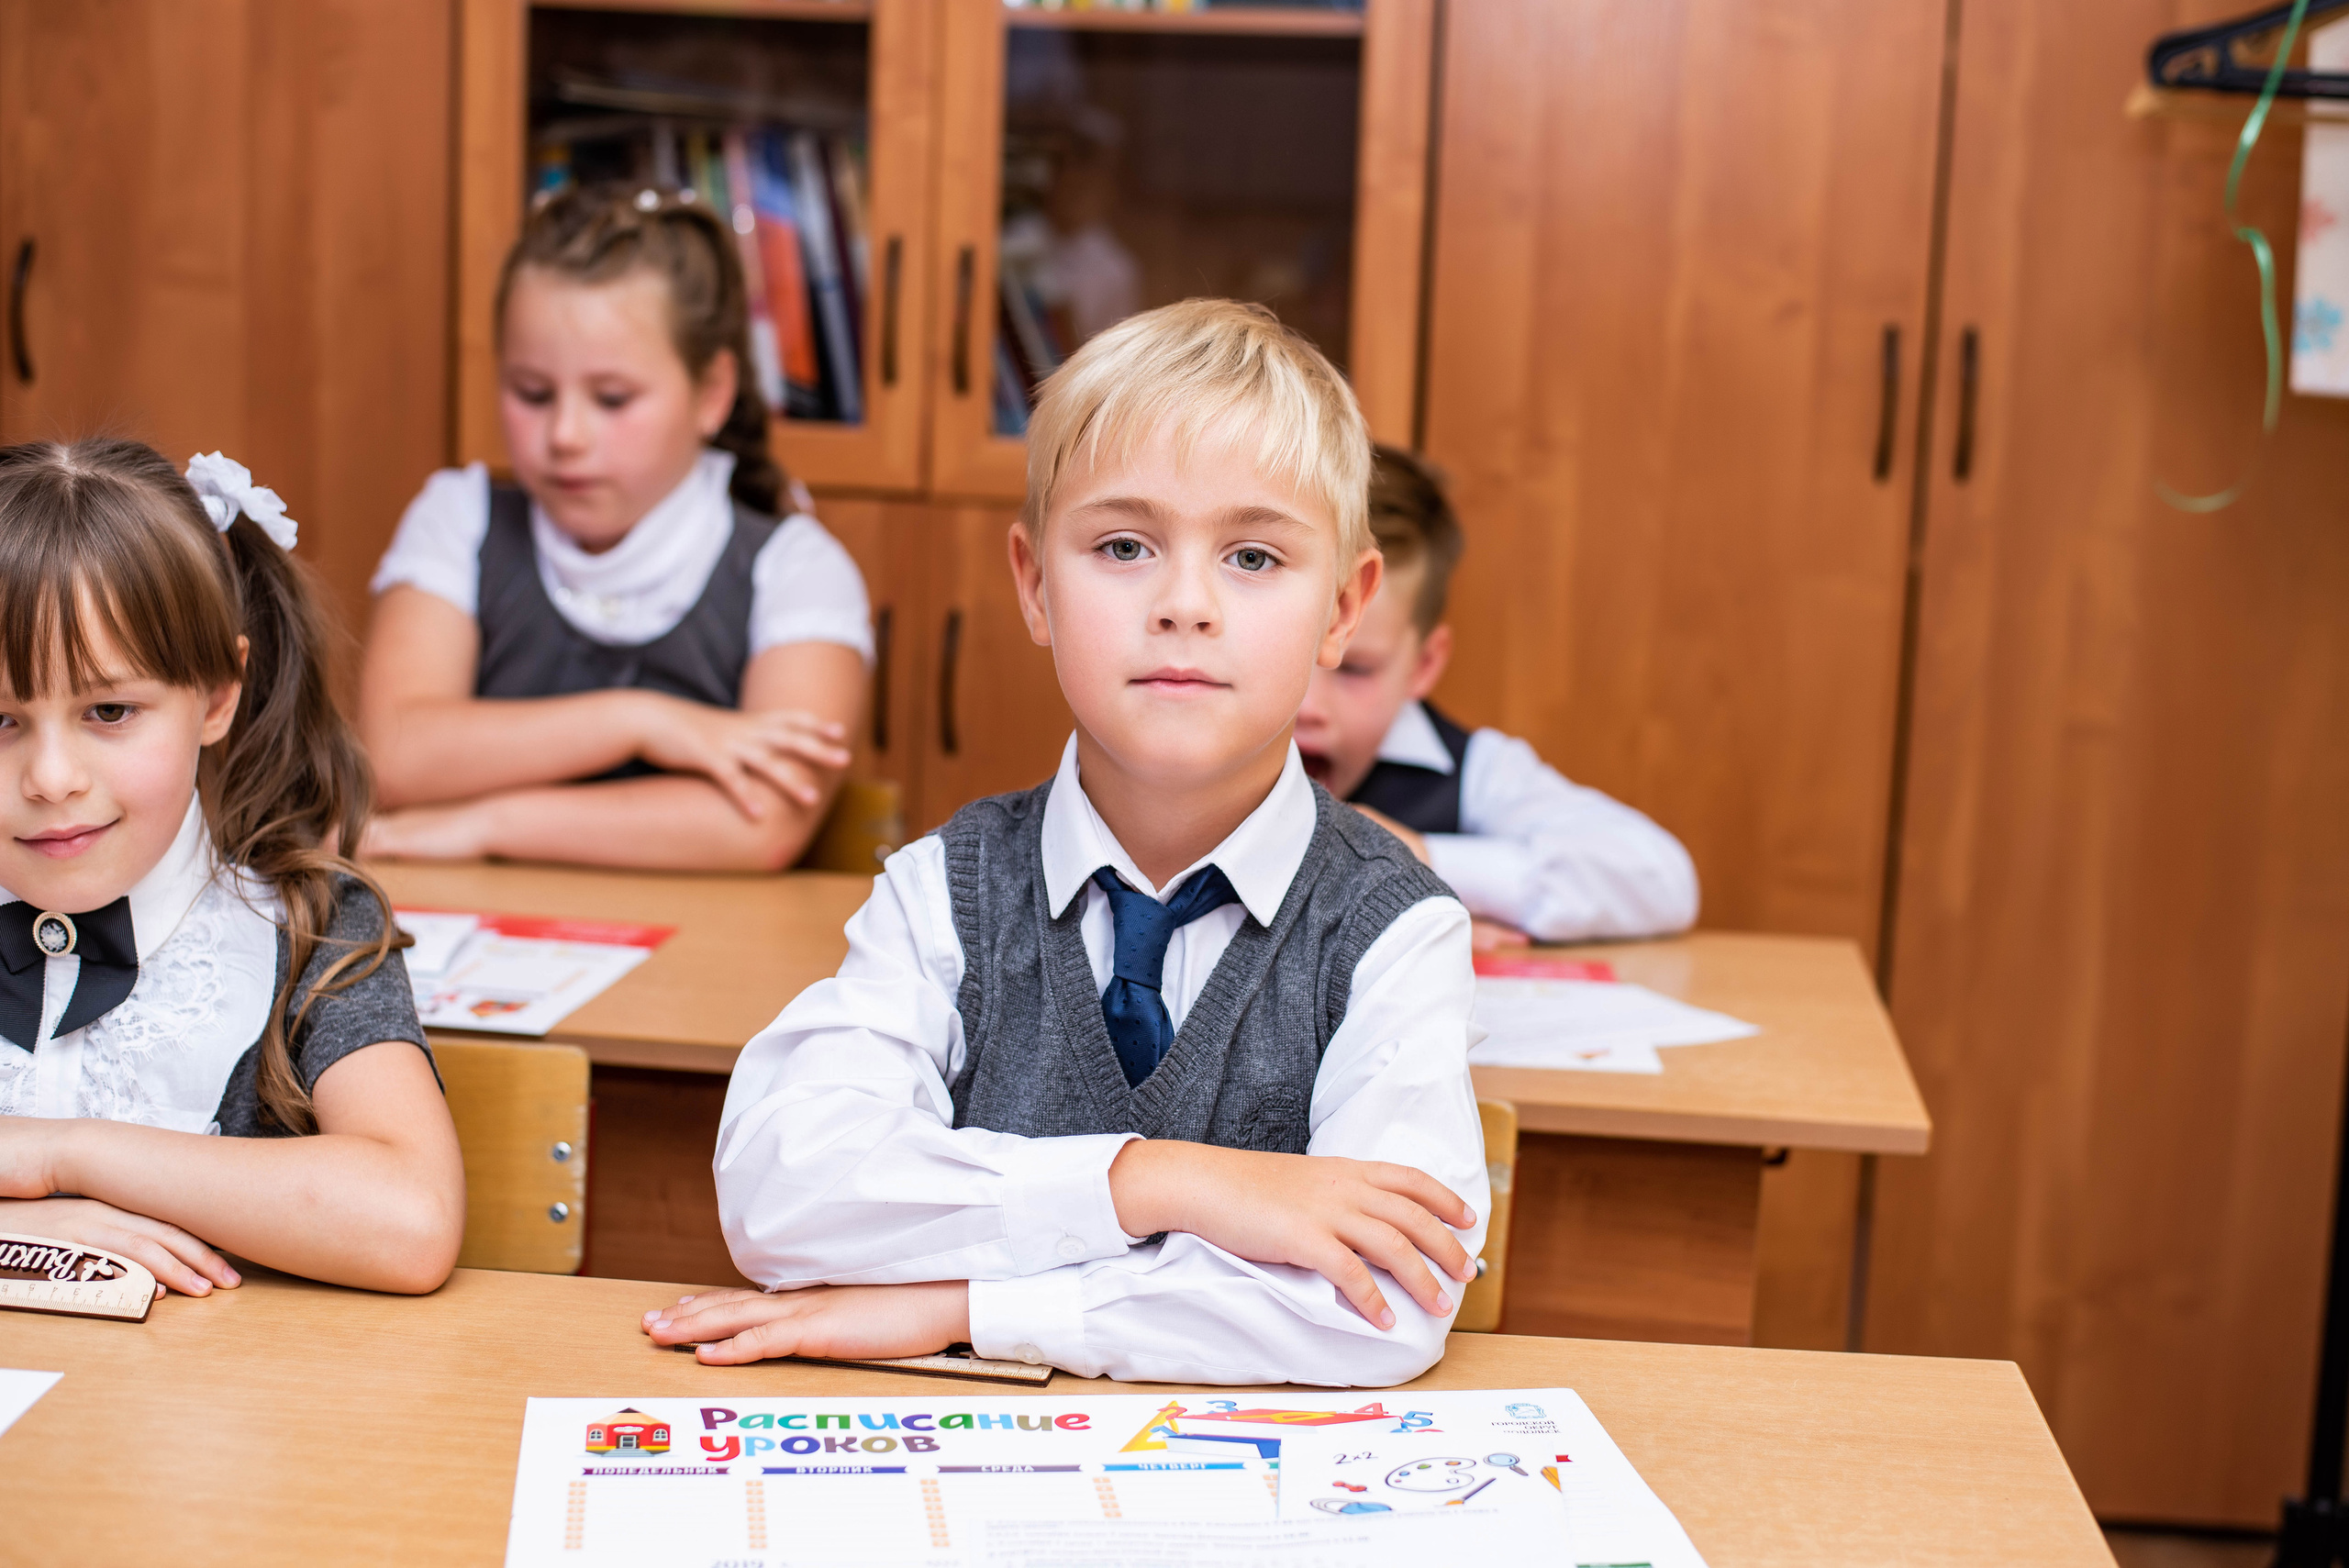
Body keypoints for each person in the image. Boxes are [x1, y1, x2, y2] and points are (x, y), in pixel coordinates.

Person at [649, 301, 1487, 1386]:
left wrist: (967, 1306)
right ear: (1036, 584)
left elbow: (1382, 1302)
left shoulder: (1396, 929)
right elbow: (781, 1189)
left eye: (1252, 555)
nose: (1184, 604)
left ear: (1342, 609)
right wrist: (1158, 1182)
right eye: (1123, 546)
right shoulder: (941, 889)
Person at [0, 441, 462, 1296]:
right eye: (1, 722)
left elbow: (411, 1219)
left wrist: (63, 1155)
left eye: (109, 710)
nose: (51, 779)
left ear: (217, 696)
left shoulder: (308, 925)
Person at [361, 183, 871, 872]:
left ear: (712, 393)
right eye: (532, 393)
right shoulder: (458, 517)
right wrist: (641, 721)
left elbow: (764, 823)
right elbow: (393, 755)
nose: (565, 435)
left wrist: (486, 824)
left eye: (612, 398)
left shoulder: (797, 568)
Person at [1294, 446, 1699, 949]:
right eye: (1292, 656)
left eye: (1356, 669)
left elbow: (1663, 882)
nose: (1308, 707)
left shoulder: (1476, 771)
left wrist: (1416, 862)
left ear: (1423, 666)